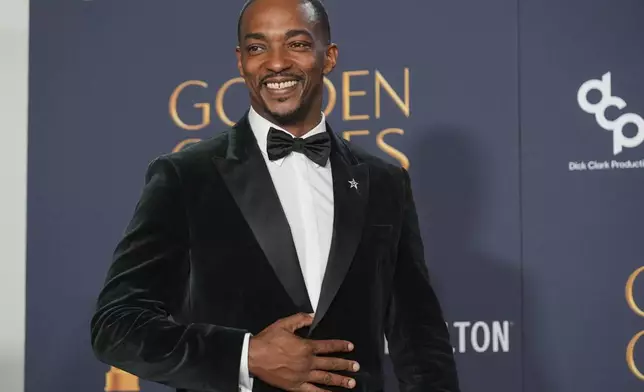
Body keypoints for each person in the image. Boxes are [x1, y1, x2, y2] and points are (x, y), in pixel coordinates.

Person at [90, 0, 460, 391]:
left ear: (329, 57)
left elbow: (420, 341)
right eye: (257, 47)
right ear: (240, 62)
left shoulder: (384, 182)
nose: (276, 63)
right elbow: (117, 324)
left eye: (297, 44)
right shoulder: (186, 176)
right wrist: (246, 356)